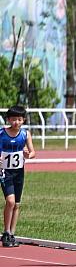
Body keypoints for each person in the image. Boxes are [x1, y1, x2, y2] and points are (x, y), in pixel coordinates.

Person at [1, 106, 36, 248]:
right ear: (8, 120)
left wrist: (29, 154)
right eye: (14, 119)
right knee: (10, 201)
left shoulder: (25, 134)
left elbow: (33, 152)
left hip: (19, 172)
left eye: (19, 119)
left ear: (23, 120)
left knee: (17, 204)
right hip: (4, 171)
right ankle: (6, 232)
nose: (16, 122)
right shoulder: (2, 134)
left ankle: (12, 233)